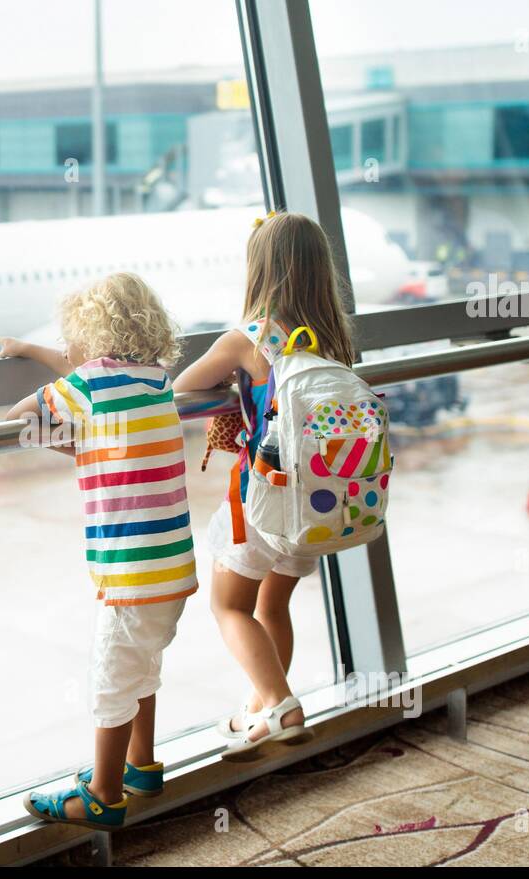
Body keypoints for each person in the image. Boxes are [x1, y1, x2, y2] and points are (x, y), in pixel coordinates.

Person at [0, 273, 197, 830]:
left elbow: (19, 419)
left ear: (89, 335)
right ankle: (141, 766)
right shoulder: (156, 379)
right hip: (172, 566)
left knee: (112, 679)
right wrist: (33, 350)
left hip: (129, 573)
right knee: (143, 667)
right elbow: (87, 377)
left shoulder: (87, 384)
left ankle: (105, 796)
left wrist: (80, 443)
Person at [173, 210, 356, 761]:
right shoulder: (333, 340)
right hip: (317, 501)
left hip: (263, 498)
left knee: (229, 607)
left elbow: (181, 390)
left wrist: (236, 383)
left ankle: (281, 705)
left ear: (259, 270)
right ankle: (260, 712)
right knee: (273, 608)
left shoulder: (248, 339)